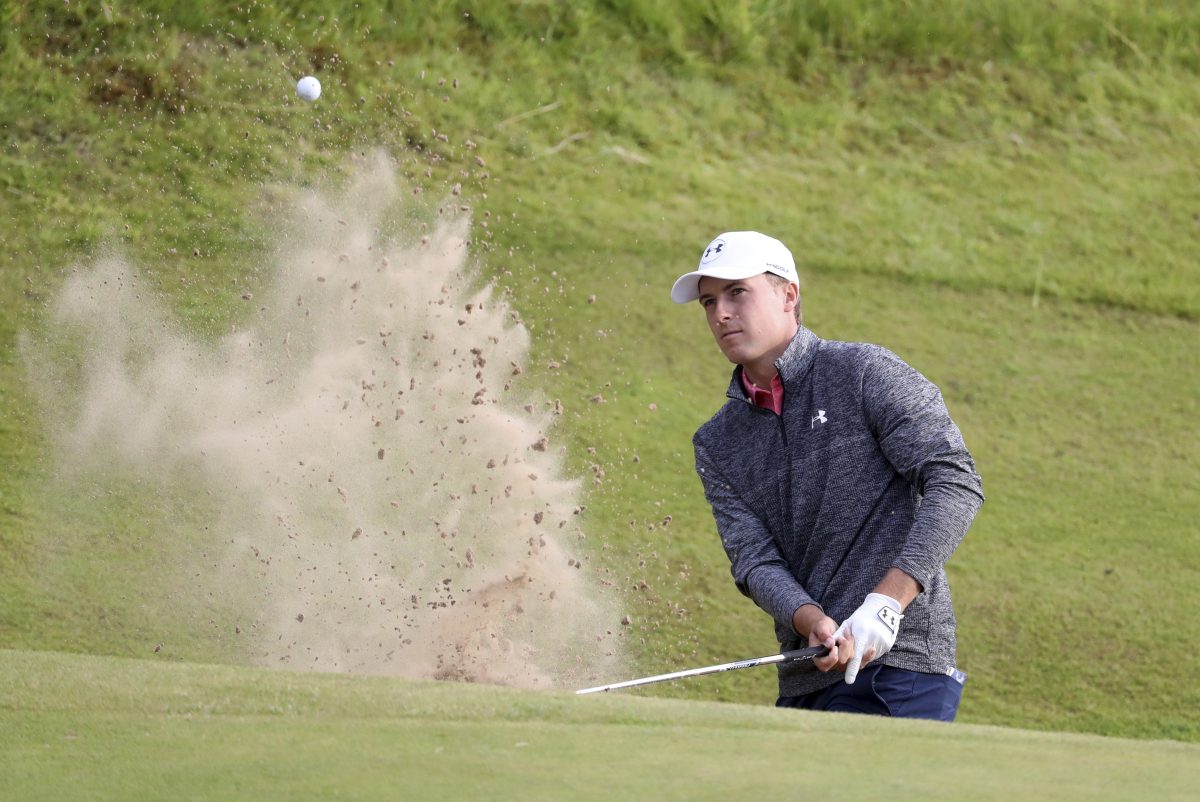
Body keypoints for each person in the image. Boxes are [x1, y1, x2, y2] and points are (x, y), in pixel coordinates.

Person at [670, 231, 983, 721]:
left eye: (737, 292)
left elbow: (955, 481)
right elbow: (755, 561)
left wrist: (886, 603)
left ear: (788, 294)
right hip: (806, 674)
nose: (721, 313)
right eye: (709, 301)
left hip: (901, 666)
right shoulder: (718, 441)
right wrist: (810, 619)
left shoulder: (862, 372)